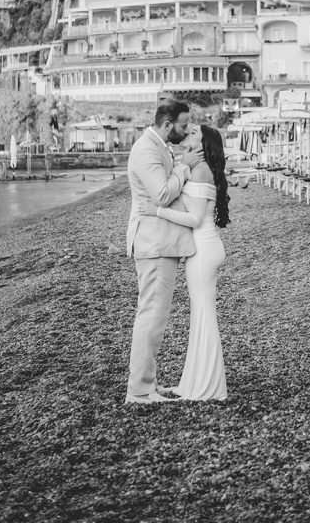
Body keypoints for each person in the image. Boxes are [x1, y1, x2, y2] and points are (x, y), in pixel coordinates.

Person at [143, 124, 230, 401]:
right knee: (201, 316)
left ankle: (209, 388)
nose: (187, 134)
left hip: (203, 251)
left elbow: (194, 218)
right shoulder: (198, 168)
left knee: (204, 317)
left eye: (193, 133)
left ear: (203, 144)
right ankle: (197, 384)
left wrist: (158, 211)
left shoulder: (201, 171)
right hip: (204, 248)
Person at [125, 99, 204, 406]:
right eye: (183, 125)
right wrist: (185, 166)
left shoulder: (157, 146)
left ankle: (149, 384)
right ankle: (141, 391)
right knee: (151, 317)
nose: (185, 131)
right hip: (153, 243)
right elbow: (161, 194)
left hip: (158, 242)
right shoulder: (146, 150)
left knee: (154, 317)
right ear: (168, 124)